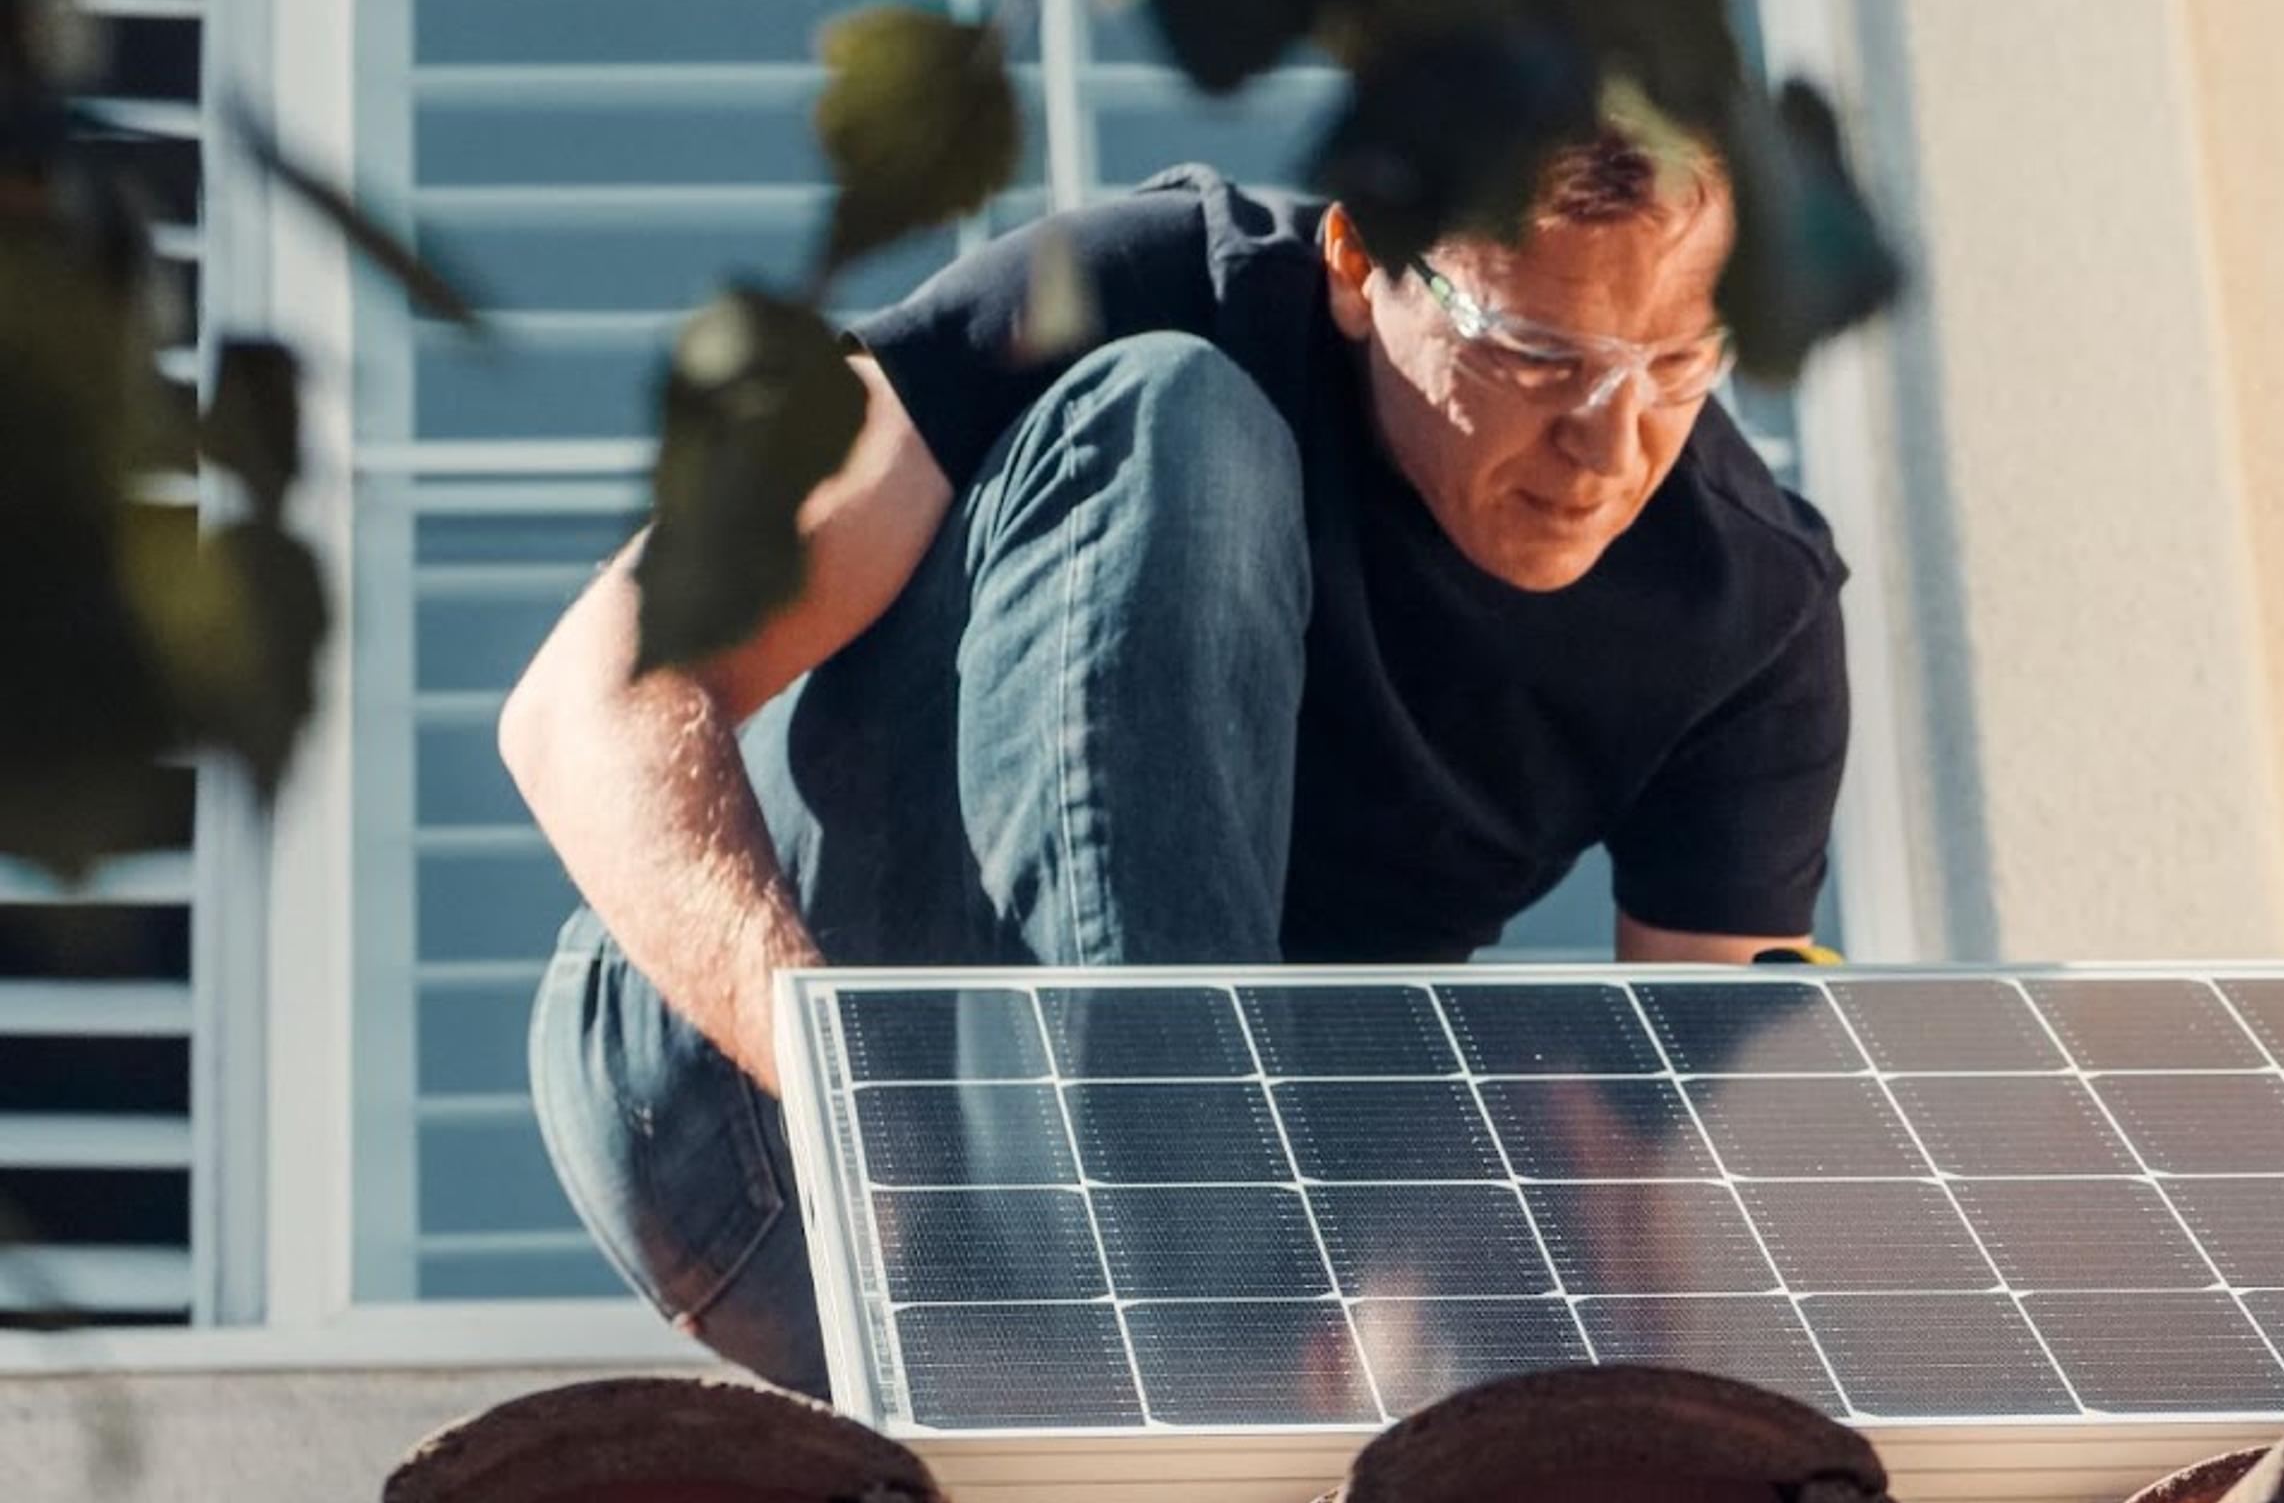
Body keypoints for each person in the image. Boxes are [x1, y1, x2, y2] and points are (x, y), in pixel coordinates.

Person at [503, 134, 1850, 1397]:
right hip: (764, 1143)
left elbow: (1670, 1128)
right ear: (1356, 269)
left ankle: (1186, 1347)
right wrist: (837, 1091)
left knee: (1543, 1082)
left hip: (1163, 1264)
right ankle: (1176, 1334)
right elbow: (587, 696)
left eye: (1675, 370)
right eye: (1537, 356)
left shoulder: (1745, 609)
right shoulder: (1140, 280)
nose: (1608, 451)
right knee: (1172, 413)